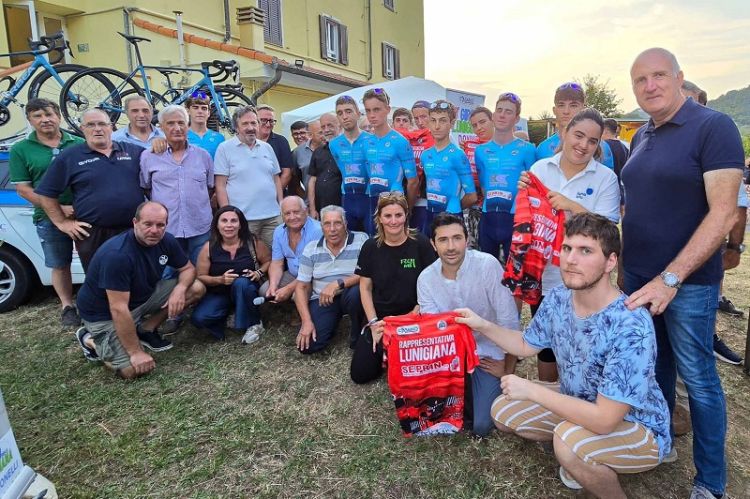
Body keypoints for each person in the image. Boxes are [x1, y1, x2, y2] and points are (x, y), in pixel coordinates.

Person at [455, 213, 671, 498]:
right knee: (503, 411)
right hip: (581, 400)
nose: (570, 259)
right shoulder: (558, 298)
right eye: (567, 248)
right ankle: (581, 449)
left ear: (610, 262)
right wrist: (481, 324)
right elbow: (524, 344)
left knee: (567, 443)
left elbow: (606, 419)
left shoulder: (630, 323)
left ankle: (583, 456)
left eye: (586, 251)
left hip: (638, 426)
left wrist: (532, 390)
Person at [621, 48, 743, 499]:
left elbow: (724, 212)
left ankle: (710, 481)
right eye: (640, 80)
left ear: (679, 77)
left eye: (659, 76)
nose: (650, 86)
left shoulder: (713, 127)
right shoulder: (642, 136)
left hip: (686, 284)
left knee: (698, 376)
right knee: (656, 365)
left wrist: (670, 279)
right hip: (638, 275)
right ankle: (660, 442)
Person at [520, 108, 620, 382]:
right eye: (578, 135)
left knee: (586, 348)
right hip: (547, 275)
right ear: (564, 133)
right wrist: (523, 192)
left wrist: (572, 206)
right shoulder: (540, 169)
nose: (584, 145)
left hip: (588, 279)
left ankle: (585, 407)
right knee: (548, 347)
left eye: (592, 141)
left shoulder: (605, 178)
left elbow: (609, 230)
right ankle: (549, 403)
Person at [73, 201, 205, 378]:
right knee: (131, 370)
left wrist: (180, 289)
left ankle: (146, 329)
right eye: (148, 224)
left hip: (141, 298)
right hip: (106, 315)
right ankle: (89, 339)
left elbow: (188, 269)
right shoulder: (117, 255)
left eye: (160, 225)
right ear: (135, 223)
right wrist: (136, 353)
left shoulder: (166, 240)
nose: (154, 230)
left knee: (196, 287)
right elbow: (118, 309)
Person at [417, 213, 519, 437]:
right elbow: (435, 334)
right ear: (433, 244)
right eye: (443, 240)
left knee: (481, 426)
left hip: (487, 354)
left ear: (467, 240)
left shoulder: (488, 266)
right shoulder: (426, 279)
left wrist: (507, 371)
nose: (451, 246)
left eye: (457, 238)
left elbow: (509, 321)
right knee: (439, 415)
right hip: (451, 359)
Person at [36, 108, 146, 271]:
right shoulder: (70, 156)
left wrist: (161, 144)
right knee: (99, 280)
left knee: (137, 276)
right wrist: (62, 223)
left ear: (111, 127)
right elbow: (46, 194)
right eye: (91, 125)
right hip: (93, 234)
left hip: (133, 230)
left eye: (102, 124)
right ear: (82, 128)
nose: (97, 129)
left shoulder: (133, 151)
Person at [9, 98, 84, 326]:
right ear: (30, 120)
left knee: (94, 259)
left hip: (84, 214)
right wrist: (58, 208)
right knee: (59, 263)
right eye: (38, 116)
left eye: (49, 114)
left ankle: (98, 299)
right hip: (48, 217)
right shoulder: (21, 149)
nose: (45, 120)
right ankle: (67, 306)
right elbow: (23, 189)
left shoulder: (79, 143)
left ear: (59, 116)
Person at [350, 193, 436, 384]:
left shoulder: (420, 242)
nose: (393, 221)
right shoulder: (370, 247)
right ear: (379, 218)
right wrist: (373, 324)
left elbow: (434, 282)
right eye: (388, 216)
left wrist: (418, 309)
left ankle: (396, 354)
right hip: (383, 320)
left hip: (415, 317)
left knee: (420, 373)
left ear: (406, 215)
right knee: (360, 374)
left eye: (398, 215)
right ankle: (387, 351)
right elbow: (364, 288)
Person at [140, 105, 214, 268]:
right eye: (171, 123)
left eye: (181, 123)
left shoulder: (203, 156)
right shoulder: (149, 156)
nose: (177, 128)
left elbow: (210, 188)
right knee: (167, 275)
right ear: (161, 127)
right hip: (166, 230)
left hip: (199, 227)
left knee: (201, 273)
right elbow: (146, 187)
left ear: (188, 126)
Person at [191, 205, 271, 344]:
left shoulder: (252, 242)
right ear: (217, 224)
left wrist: (259, 272)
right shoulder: (208, 247)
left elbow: (269, 261)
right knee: (199, 318)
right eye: (224, 221)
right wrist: (220, 280)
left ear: (240, 225)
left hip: (246, 289)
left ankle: (254, 323)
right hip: (219, 292)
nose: (229, 225)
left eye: (234, 221)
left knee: (241, 283)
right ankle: (229, 317)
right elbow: (201, 276)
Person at [294, 205, 367, 354]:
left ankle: (357, 337)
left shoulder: (361, 240)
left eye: (337, 223)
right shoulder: (311, 249)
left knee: (356, 294)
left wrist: (339, 283)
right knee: (309, 347)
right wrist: (306, 322)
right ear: (321, 227)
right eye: (327, 224)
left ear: (345, 225)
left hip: (351, 294)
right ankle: (329, 324)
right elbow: (301, 287)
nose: (332, 229)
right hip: (323, 299)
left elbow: (370, 271)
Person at [474, 93, 536, 262]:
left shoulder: (528, 150)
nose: (502, 115)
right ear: (493, 115)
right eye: (499, 110)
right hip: (488, 218)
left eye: (508, 112)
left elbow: (533, 187)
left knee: (516, 277)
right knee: (486, 273)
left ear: (516, 119)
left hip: (516, 220)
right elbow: (483, 184)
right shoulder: (480, 151)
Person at [214, 106, 283, 249]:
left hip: (273, 218)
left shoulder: (267, 148)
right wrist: (228, 215)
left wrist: (281, 206)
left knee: (276, 257)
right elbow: (220, 185)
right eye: (245, 124)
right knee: (248, 260)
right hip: (243, 219)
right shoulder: (224, 148)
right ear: (236, 127)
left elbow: (276, 179)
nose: (250, 127)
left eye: (254, 123)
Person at [362, 88, 418, 234]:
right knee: (374, 246)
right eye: (368, 111)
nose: (372, 115)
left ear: (387, 109)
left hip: (395, 202)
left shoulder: (400, 141)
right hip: (372, 201)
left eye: (376, 110)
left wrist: (407, 208)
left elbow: (413, 181)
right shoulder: (366, 141)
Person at [418, 100, 476, 236]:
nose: (437, 126)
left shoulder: (458, 155)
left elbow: (472, 196)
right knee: (429, 256)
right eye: (433, 120)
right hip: (429, 214)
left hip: (451, 216)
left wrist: (454, 208)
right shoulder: (426, 155)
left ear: (452, 123)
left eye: (443, 121)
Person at [536, 83, 615, 169]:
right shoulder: (543, 148)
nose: (566, 111)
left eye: (573, 105)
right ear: (554, 110)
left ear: (583, 109)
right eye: (561, 105)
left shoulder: (602, 148)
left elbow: (607, 179)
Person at [261, 196, 322, 303]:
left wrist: (289, 288)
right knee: (265, 290)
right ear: (282, 216)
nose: (292, 217)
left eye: (296, 212)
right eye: (287, 213)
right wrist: (273, 286)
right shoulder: (279, 231)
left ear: (306, 211)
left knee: (297, 295)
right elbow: (277, 263)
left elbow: (315, 269)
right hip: (293, 274)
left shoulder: (317, 231)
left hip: (314, 277)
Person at [328, 95, 372, 231]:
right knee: (350, 241)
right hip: (347, 198)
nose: (344, 116)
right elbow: (340, 166)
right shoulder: (334, 144)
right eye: (340, 113)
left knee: (373, 241)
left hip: (369, 197)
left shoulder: (372, 140)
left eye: (348, 111)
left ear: (358, 114)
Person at [462, 106, 494, 249]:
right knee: (471, 250)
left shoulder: (505, 145)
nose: (479, 128)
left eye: (482, 122)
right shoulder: (469, 145)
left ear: (492, 120)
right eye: (475, 125)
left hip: (495, 209)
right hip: (472, 207)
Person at [307, 113, 343, 217]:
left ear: (339, 127)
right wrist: (313, 209)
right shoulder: (318, 152)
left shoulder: (347, 150)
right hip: (321, 209)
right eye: (323, 127)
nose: (326, 130)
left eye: (330, 125)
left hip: (342, 208)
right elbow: (312, 181)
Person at [256, 104, 293, 190]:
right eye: (264, 120)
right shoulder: (247, 141)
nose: (268, 124)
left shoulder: (281, 141)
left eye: (271, 121)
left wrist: (274, 195)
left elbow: (286, 173)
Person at [185, 92, 225, 159]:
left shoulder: (219, 138)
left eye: (204, 108)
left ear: (208, 113)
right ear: (188, 111)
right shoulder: (181, 136)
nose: (200, 111)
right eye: (195, 108)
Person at [291, 120, 324, 196]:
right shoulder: (296, 153)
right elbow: (295, 182)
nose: (299, 136)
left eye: (302, 133)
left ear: (309, 133)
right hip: (309, 201)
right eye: (295, 134)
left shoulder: (329, 147)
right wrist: (305, 199)